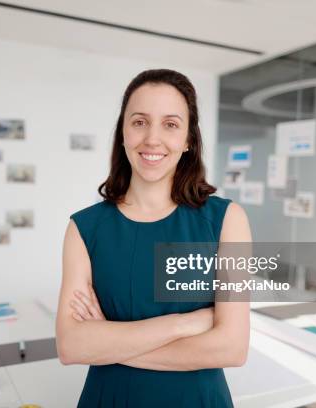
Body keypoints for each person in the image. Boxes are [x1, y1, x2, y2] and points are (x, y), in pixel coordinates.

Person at [56, 69, 251, 407]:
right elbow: (71, 347)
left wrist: (110, 344)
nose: (152, 139)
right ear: (123, 133)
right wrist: (183, 324)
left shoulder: (227, 221)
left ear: (189, 138)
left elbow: (231, 348)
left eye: (170, 124)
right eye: (140, 122)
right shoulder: (83, 229)